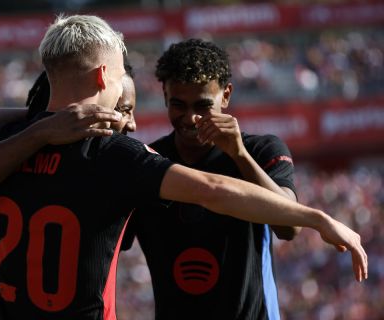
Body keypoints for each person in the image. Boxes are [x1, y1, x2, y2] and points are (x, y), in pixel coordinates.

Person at [0, 14, 367, 320]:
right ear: (105, 77)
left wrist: (41, 124)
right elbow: (213, 190)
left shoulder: (1, 148)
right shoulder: (117, 156)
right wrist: (319, 217)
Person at [120, 38, 299, 319]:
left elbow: (289, 227)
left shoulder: (260, 150)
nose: (191, 118)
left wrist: (239, 155)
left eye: (203, 106)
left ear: (226, 95)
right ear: (165, 96)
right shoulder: (147, 161)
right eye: (178, 104)